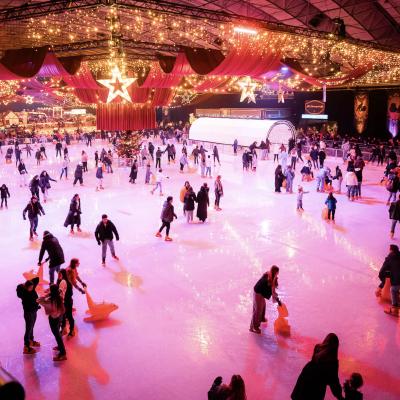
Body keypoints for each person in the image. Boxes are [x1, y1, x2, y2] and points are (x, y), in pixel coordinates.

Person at [291, 333, 343, 400]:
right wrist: (340, 397)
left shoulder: (317, 347)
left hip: (305, 377)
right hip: (317, 386)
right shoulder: (333, 361)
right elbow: (334, 381)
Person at [37, 284, 67, 361]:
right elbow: (61, 289)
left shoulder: (49, 301)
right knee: (58, 335)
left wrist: (47, 295)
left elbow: (39, 300)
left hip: (53, 320)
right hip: (60, 317)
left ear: (51, 291)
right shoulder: (60, 296)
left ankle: (63, 353)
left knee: (57, 335)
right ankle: (60, 347)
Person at [249, 266, 281, 334]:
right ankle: (254, 327)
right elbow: (273, 292)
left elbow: (273, 291)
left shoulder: (270, 275)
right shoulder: (270, 278)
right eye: (277, 273)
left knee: (263, 305)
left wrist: (277, 298)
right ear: (275, 272)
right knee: (258, 310)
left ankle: (262, 318)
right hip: (258, 293)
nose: (278, 274)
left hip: (261, 292)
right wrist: (278, 301)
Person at [16, 278, 41, 354]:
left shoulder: (32, 289)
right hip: (29, 313)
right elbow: (30, 305)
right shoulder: (24, 294)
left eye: (32, 287)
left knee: (31, 327)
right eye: (30, 287)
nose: (32, 288)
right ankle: (26, 347)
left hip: (34, 312)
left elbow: (37, 279)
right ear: (26, 288)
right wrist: (37, 306)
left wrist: (28, 283)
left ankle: (31, 340)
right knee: (28, 329)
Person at [378, 244, 400, 315]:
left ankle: (394, 310)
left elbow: (381, 272)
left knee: (393, 289)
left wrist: (381, 285)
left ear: (391, 250)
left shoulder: (389, 258)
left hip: (397, 281)